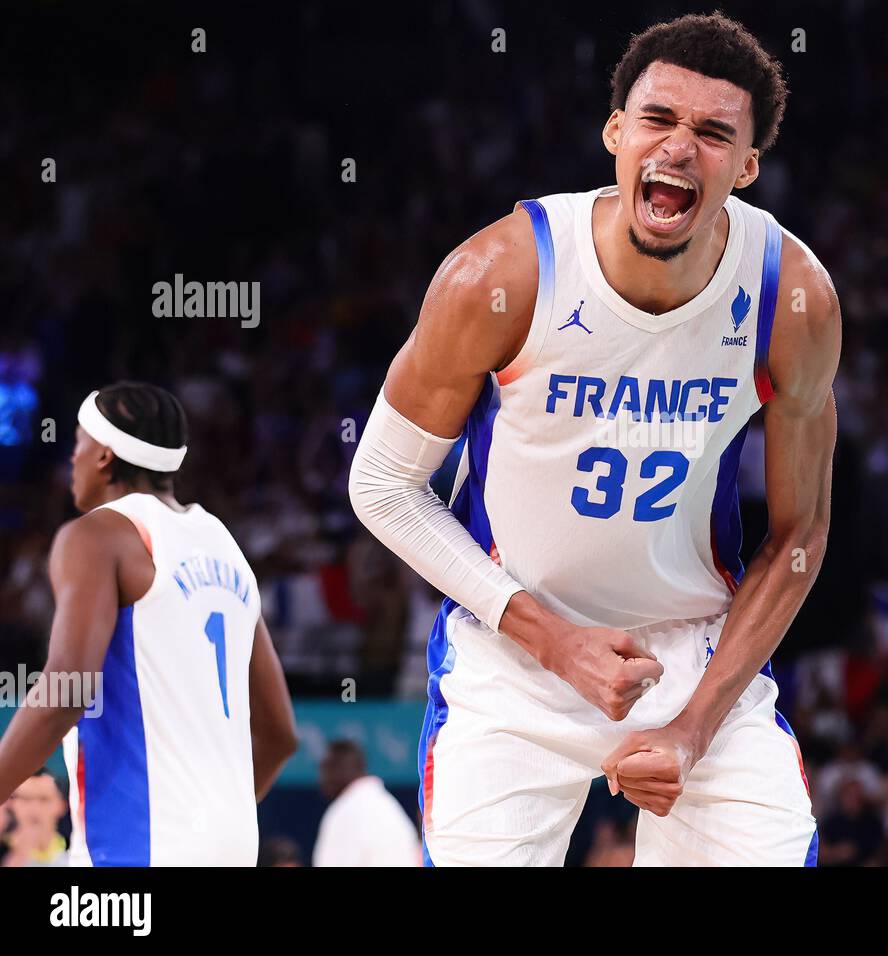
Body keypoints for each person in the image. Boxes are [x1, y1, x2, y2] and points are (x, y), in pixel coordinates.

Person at [349, 12, 838, 866]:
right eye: (658, 119)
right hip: (515, 654)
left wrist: (691, 727)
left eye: (715, 133)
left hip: (693, 656)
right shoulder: (501, 274)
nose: (680, 148)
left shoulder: (792, 298)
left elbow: (799, 536)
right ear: (615, 131)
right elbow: (383, 485)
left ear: (749, 166)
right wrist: (552, 640)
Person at [0, 382, 298, 865]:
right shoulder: (224, 544)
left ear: (101, 455)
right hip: (233, 846)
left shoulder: (98, 534)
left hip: (141, 845)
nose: (71, 459)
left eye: (78, 442)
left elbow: (68, 687)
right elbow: (280, 733)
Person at [312, 739, 419, 867]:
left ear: (338, 768)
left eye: (325, 769)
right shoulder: (388, 806)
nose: (321, 779)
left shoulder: (345, 812)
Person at [1, 769, 68, 866]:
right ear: (11, 803)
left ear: (62, 805)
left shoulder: (80, 850)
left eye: (43, 799)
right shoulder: (3, 850)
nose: (34, 809)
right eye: (25, 798)